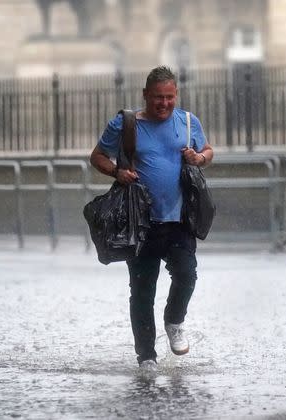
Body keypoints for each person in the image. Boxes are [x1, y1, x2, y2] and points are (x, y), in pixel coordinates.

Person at [89, 66, 213, 371]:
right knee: (143, 291)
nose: (164, 104)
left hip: (179, 219)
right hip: (140, 222)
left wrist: (200, 158)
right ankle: (146, 356)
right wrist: (117, 171)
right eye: (158, 97)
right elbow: (97, 157)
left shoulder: (187, 122)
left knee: (187, 274)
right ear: (146, 95)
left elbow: (208, 151)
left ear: (176, 95)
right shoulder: (126, 123)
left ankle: (174, 320)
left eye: (170, 97)